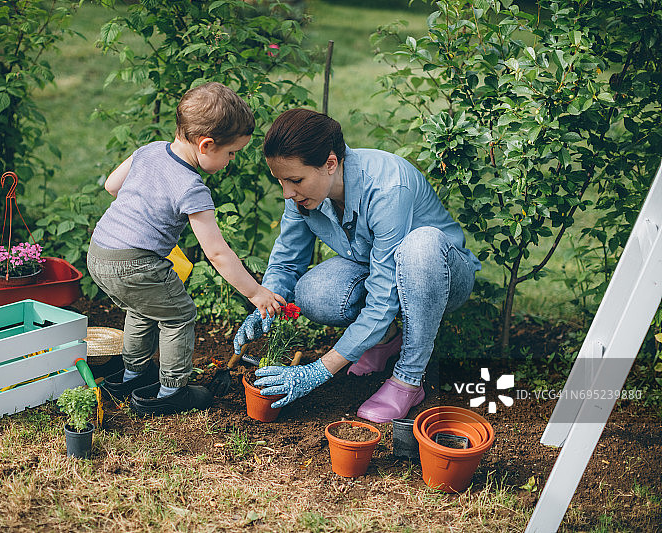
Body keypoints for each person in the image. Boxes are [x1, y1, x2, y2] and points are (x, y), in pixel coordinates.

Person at [233, 108, 480, 423]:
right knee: (313, 292)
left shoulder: (387, 187)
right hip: (381, 270)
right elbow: (287, 257)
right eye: (281, 181)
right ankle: (386, 339)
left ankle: (408, 378)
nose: (287, 192)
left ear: (331, 163)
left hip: (440, 276)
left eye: (295, 180)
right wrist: (265, 304)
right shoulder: (302, 193)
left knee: (420, 247)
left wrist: (318, 371)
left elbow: (383, 296)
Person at [87, 82, 285, 416]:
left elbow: (111, 186)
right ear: (206, 145)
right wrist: (255, 292)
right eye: (231, 153)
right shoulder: (191, 188)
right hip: (136, 263)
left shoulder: (148, 151)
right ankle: (171, 390)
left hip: (100, 253)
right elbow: (217, 252)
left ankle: (133, 375)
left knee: (145, 306)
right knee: (179, 315)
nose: (232, 160)